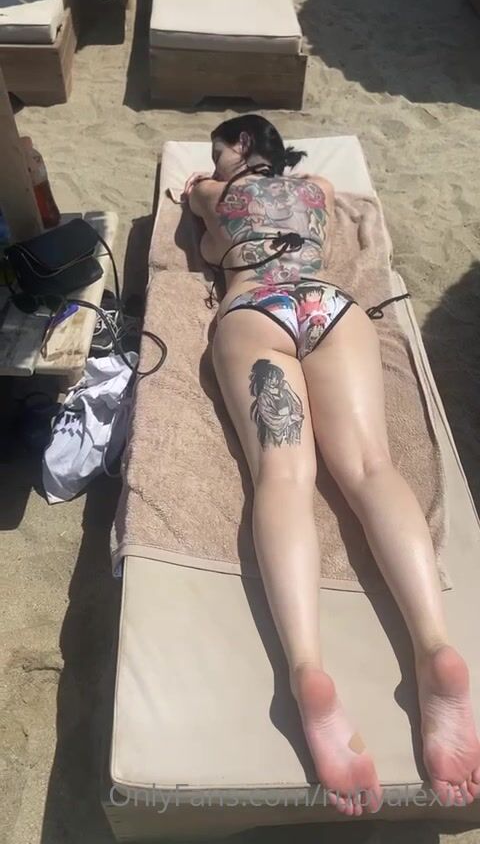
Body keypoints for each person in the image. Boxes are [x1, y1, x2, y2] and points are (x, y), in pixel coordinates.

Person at [184, 114, 480, 817]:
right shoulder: (317, 187)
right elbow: (308, 200)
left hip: (257, 307)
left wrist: (205, 193)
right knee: (374, 468)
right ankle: (434, 646)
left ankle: (307, 669)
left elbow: (207, 225)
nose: (213, 161)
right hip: (329, 306)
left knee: (284, 476)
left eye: (219, 149)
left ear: (242, 145)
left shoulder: (213, 191)